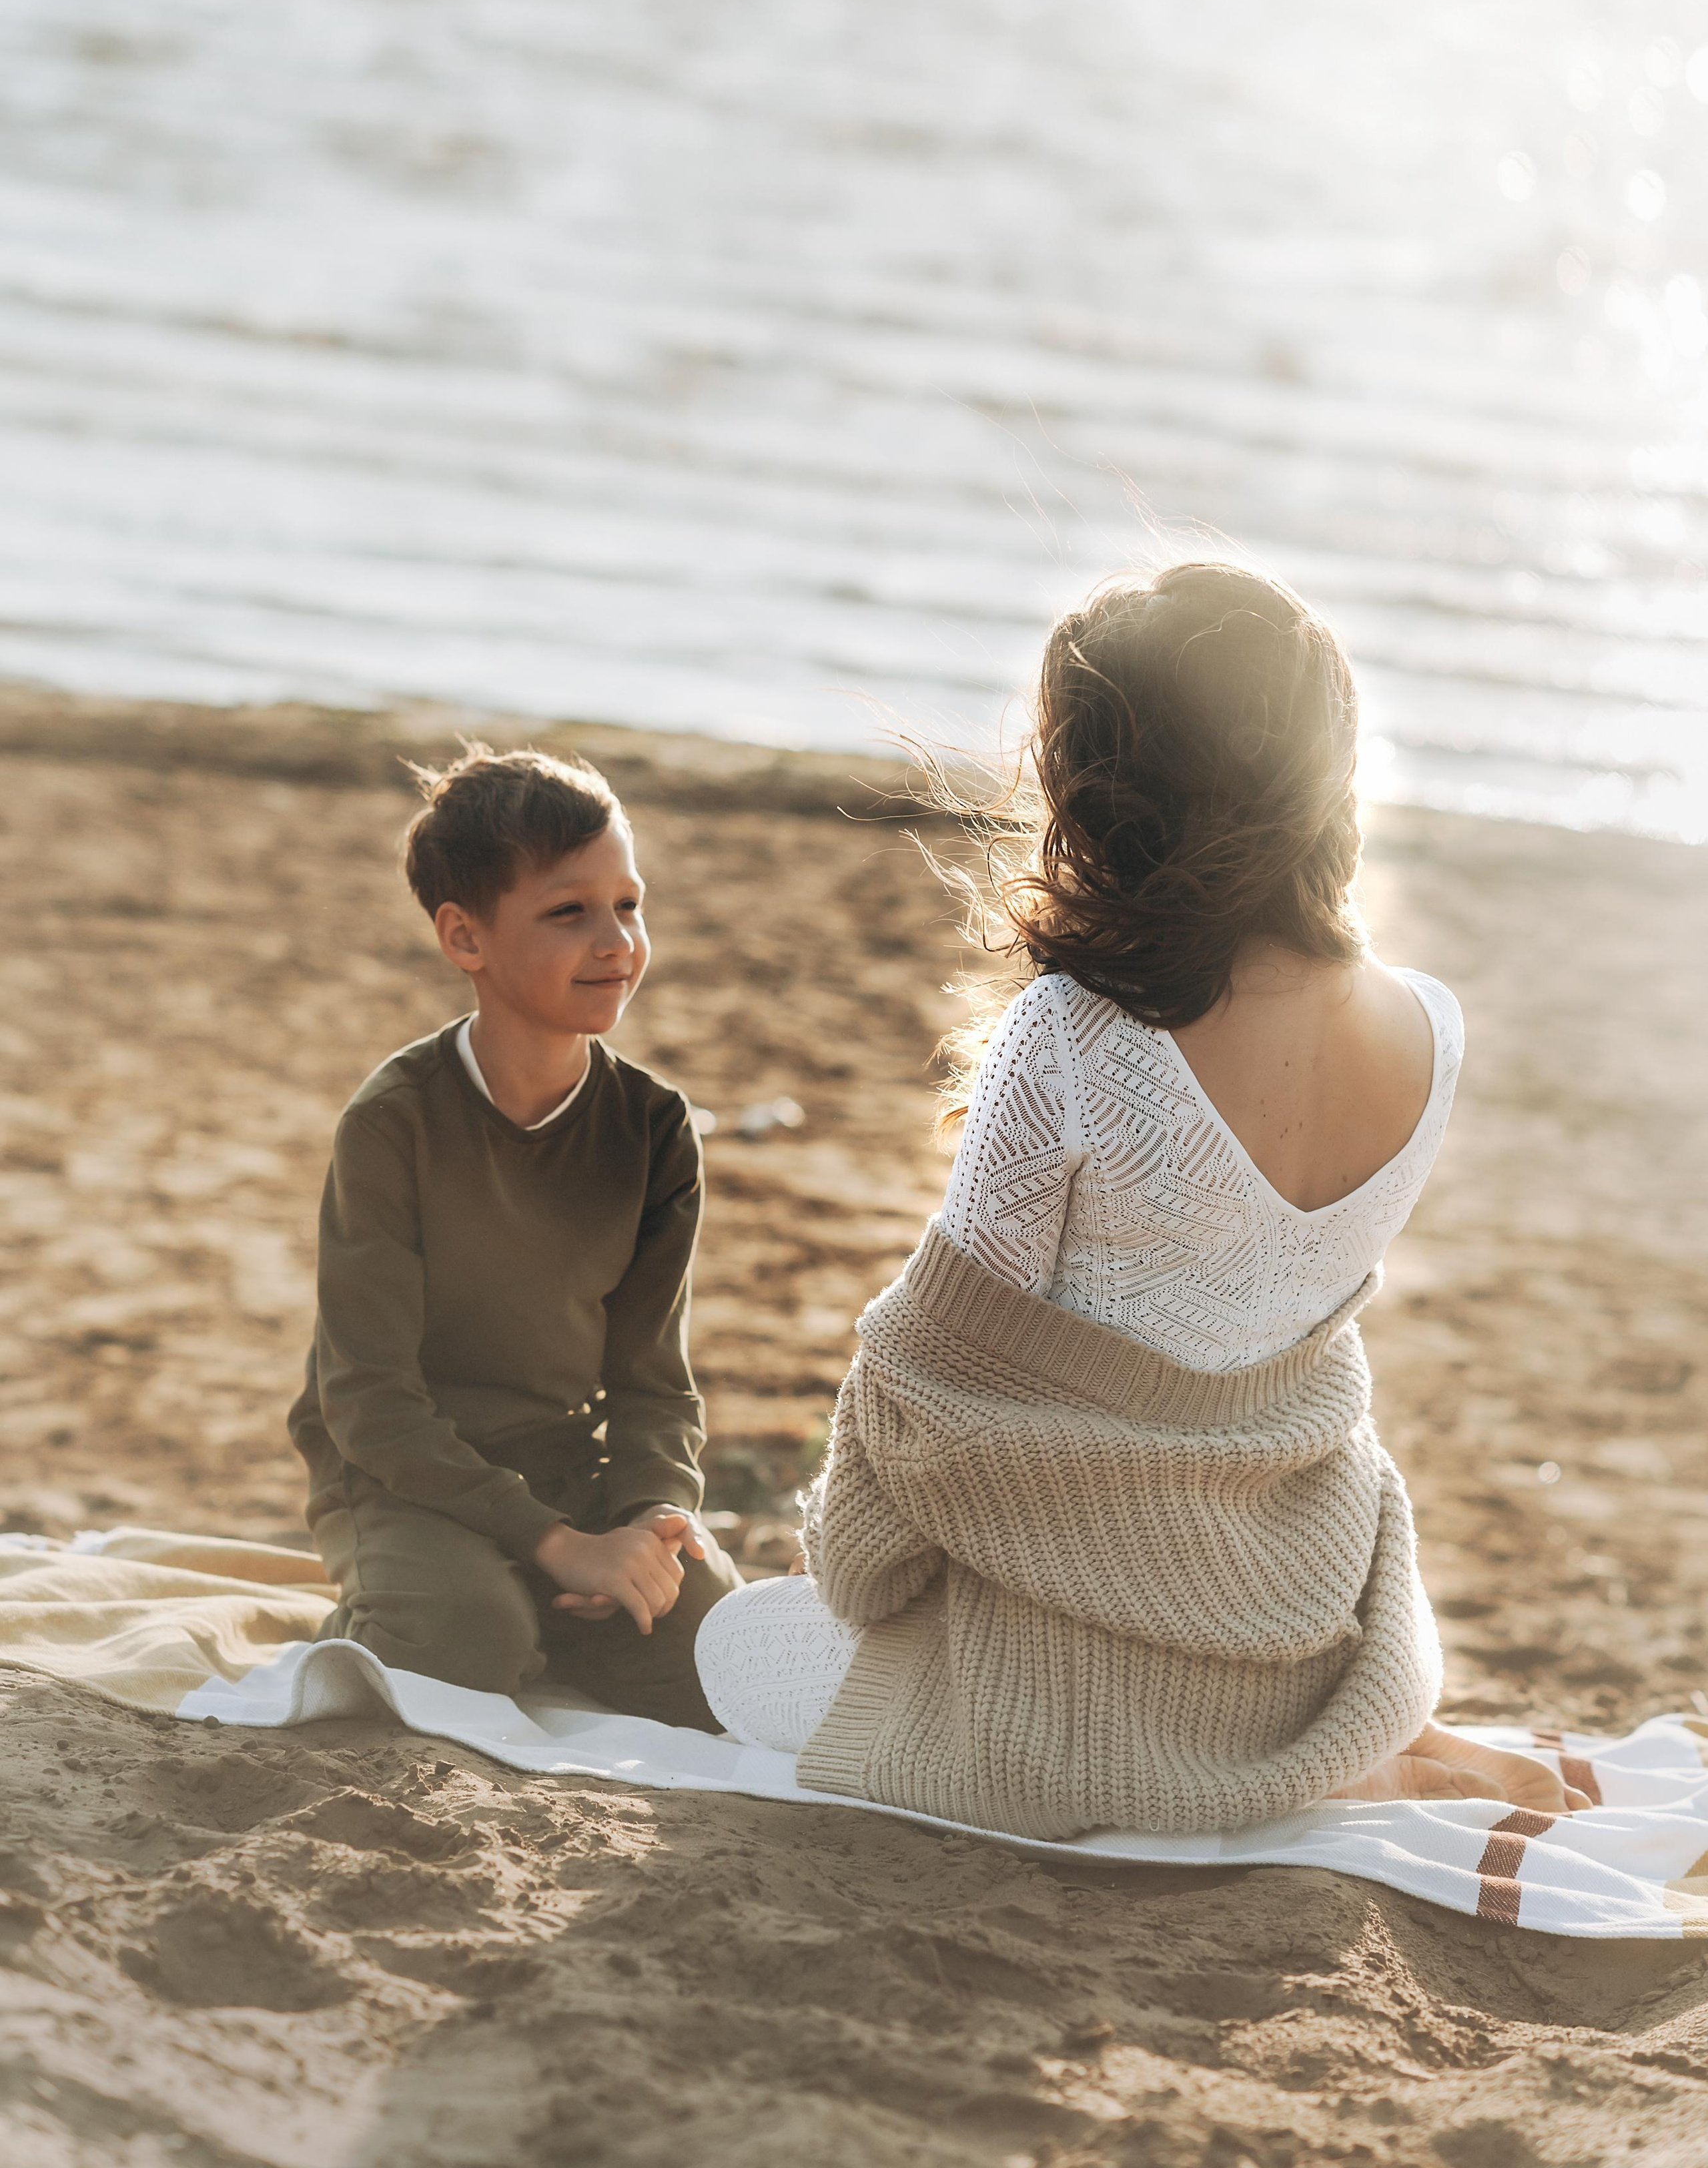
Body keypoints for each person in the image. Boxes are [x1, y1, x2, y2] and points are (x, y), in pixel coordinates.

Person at [696, 563, 1587, 1830]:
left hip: (1091, 1615)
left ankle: (1272, 1758)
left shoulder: (1073, 1034)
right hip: (1296, 1599)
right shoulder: (1432, 1031)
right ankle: (1353, 1738)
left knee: (740, 1657)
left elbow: (929, 1375)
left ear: (1106, 795)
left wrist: (853, 1566)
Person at [288, 745, 742, 1728]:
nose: (616, 940)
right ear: (466, 938)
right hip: (401, 1475)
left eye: (629, 904)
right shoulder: (393, 1123)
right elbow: (366, 1402)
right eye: (569, 912)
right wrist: (554, 1545)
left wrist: (647, 1521)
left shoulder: (656, 1129)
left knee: (724, 1657)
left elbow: (655, 1384)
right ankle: (436, 1597)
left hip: (567, 1469)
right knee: (465, 1647)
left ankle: (535, 1596)